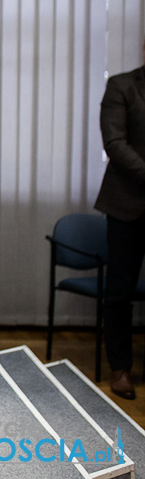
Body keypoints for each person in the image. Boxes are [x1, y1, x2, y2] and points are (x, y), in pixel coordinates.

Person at [97, 38, 145, 400]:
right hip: (127, 204)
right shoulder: (122, 86)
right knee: (120, 292)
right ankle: (120, 368)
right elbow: (115, 144)